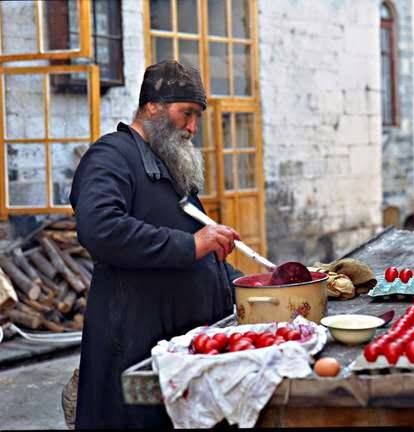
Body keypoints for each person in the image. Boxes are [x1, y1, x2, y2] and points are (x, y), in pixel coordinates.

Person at [69, 60, 243, 429]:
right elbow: (100, 228)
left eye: (197, 117)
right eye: (186, 114)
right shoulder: (111, 156)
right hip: (133, 341)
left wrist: (247, 286)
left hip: (179, 347)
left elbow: (197, 248)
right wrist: (190, 245)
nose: (192, 128)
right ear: (153, 106)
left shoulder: (168, 164)